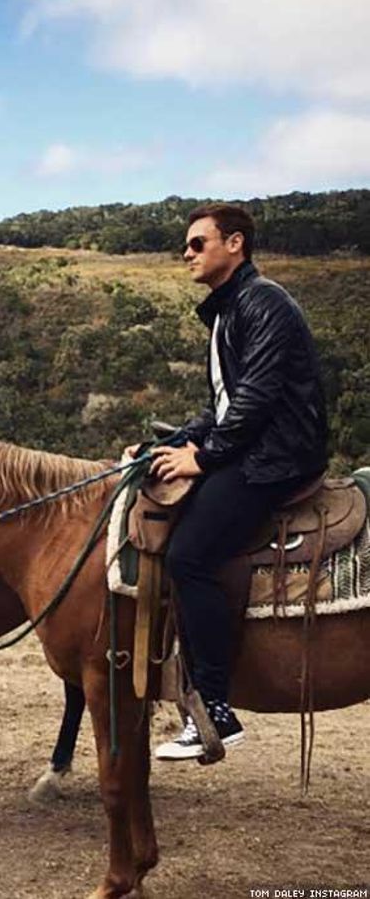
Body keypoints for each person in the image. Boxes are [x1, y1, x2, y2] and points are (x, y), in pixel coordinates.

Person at [151, 203, 328, 761]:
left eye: (198, 243)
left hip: (278, 457)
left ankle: (216, 708)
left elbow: (255, 401)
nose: (187, 253)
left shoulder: (264, 302)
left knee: (188, 556)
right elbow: (221, 406)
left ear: (235, 245)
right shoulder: (229, 313)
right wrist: (172, 442)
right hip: (251, 447)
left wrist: (202, 459)